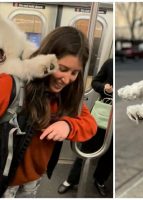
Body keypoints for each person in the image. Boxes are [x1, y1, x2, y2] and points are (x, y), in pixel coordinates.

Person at [0, 26, 97, 198]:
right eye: (63, 69)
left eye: (75, 73)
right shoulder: (12, 84)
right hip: (4, 181)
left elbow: (90, 125)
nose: (67, 80)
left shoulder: (66, 96)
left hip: (33, 179)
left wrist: (68, 124)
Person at [57, 58, 113, 197]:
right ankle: (71, 180)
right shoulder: (110, 63)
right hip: (103, 112)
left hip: (119, 117)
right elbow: (95, 83)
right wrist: (104, 87)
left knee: (110, 155)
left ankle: (99, 180)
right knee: (87, 148)